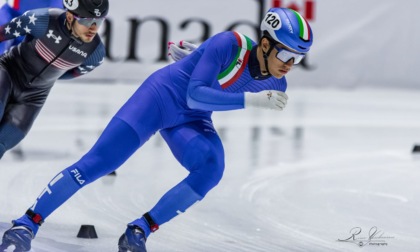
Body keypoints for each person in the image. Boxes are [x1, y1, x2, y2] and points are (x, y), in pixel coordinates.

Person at [0, 7, 313, 252]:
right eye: (286, 54)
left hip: (193, 118)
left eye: (298, 58)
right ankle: (27, 223)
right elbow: (194, 93)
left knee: (211, 169)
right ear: (267, 43)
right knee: (98, 163)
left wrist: (199, 58)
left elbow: (213, 90)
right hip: (159, 98)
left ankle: (139, 230)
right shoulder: (229, 43)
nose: (289, 64)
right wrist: (251, 99)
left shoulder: (277, 81)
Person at [0, 0, 109, 159]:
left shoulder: (95, 53)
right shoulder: (43, 19)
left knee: (2, 144)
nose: (93, 28)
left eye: (99, 21)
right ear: (71, 17)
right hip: (8, 72)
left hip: (33, 97)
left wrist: (46, 81)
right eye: (87, 20)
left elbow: (67, 74)